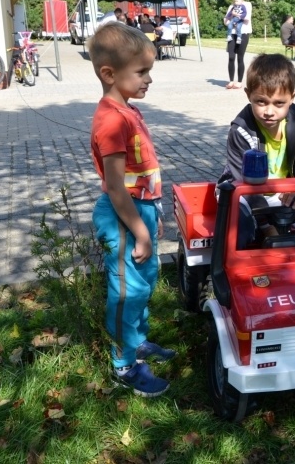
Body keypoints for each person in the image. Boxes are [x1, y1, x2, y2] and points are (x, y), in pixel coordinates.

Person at [88, 22, 176, 397]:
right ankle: (124, 365)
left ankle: (137, 342)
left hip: (140, 211)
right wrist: (138, 228)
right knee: (127, 291)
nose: (149, 79)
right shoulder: (111, 120)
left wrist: (151, 218)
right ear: (109, 74)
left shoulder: (127, 110)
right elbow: (114, 186)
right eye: (142, 72)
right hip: (124, 215)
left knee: (144, 283)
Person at [218, 53, 295, 249]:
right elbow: (243, 183)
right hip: (245, 193)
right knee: (238, 226)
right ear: (248, 94)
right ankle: (240, 275)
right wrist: (267, 226)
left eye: (279, 103)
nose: (269, 111)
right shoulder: (240, 130)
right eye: (261, 102)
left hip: (285, 192)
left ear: (292, 97)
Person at [224, 0, 252, 90]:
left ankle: (239, 81)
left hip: (243, 33)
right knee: (231, 57)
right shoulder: (231, 6)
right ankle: (231, 81)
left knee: (240, 57)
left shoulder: (247, 4)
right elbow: (226, 20)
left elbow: (247, 18)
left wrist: (237, 16)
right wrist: (230, 18)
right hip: (232, 33)